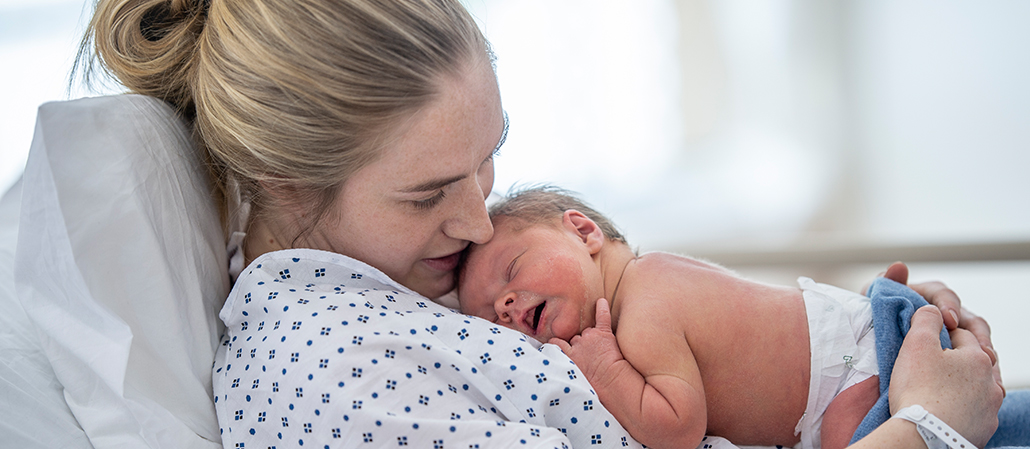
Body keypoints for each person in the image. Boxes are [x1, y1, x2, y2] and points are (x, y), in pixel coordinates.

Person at [76, 0, 1010, 448]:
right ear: (286, 179)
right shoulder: (335, 378)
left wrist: (870, 336)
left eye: (491, 159)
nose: (477, 220)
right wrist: (929, 427)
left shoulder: (403, 286)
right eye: (427, 192)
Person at [458, 186, 1025, 449]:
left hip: (856, 379)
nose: (504, 307)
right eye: (489, 316)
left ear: (583, 233)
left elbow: (677, 427)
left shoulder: (643, 309)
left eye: (512, 270)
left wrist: (605, 372)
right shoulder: (661, 270)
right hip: (866, 334)